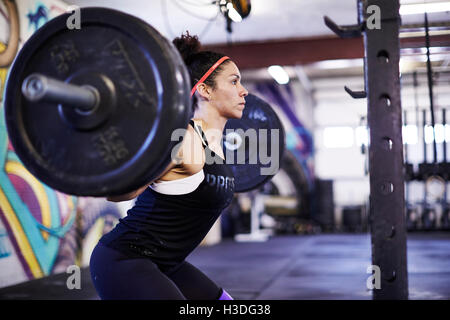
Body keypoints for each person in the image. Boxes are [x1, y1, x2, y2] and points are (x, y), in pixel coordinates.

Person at [89, 31, 248, 300]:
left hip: (167, 263)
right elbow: (120, 193)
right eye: (234, 82)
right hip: (125, 259)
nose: (243, 90)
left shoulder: (216, 145)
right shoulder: (183, 140)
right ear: (205, 89)